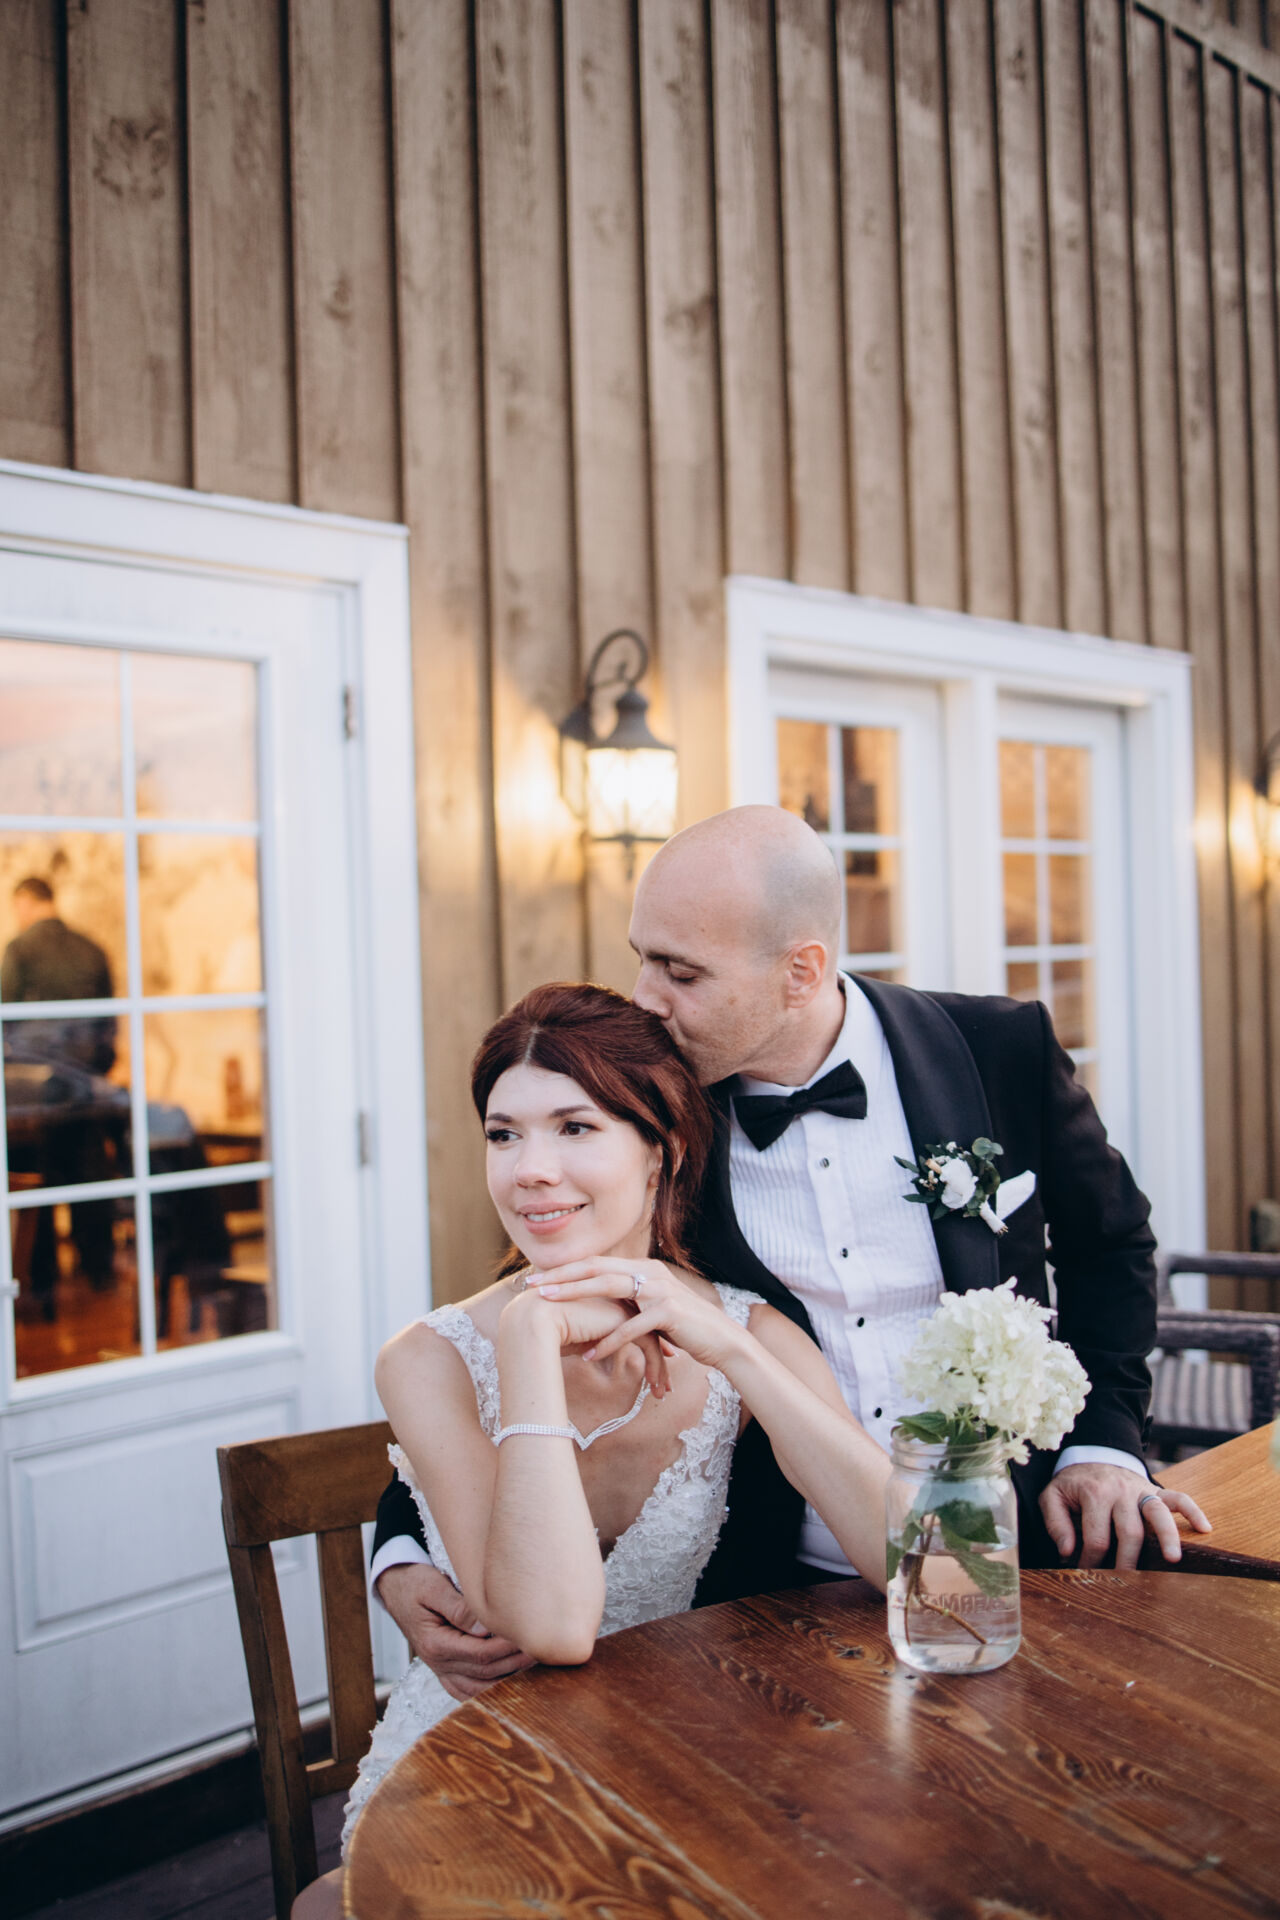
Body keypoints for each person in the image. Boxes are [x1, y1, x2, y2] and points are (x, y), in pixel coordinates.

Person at [371, 806, 1207, 1691]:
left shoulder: (997, 1049)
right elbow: (502, 1345)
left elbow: (1110, 1247)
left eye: (681, 971)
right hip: (761, 1597)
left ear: (801, 971)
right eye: (642, 957)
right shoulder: (656, 1109)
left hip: (1008, 1543)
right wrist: (404, 1550)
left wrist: (1103, 1447)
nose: (647, 997)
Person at [295, 981, 893, 1916]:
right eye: (504, 1135)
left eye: (575, 1128)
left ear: (665, 1151)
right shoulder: (426, 1359)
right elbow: (555, 1629)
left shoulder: (751, 1331)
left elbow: (911, 1561)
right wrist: (530, 1339)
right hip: (475, 1766)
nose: (531, 1169)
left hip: (680, 1751)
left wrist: (735, 1351)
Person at [2, 876, 119, 1312]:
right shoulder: (91, 949)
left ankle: (42, 1283)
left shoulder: (19, 950)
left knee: (39, 1188)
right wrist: (93, 1070)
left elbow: (6, 1022)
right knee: (90, 1179)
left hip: (35, 1096)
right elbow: (109, 1026)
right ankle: (100, 1272)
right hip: (85, 1089)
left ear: (25, 902)